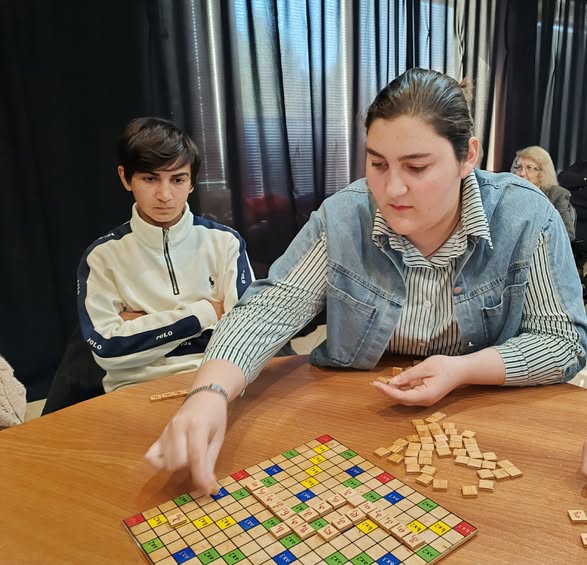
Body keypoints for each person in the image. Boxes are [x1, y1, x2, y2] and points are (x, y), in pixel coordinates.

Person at [145, 68, 587, 492]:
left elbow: (563, 340)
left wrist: (462, 369)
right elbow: (269, 309)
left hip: (483, 423)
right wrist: (210, 391)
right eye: (377, 163)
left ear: (467, 156)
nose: (391, 189)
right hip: (359, 416)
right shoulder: (345, 214)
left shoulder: (525, 215)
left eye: (417, 168)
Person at [78, 117, 254, 392]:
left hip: (217, 382)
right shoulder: (101, 256)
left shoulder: (225, 242)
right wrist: (206, 312)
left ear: (192, 182)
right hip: (135, 389)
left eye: (178, 179)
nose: (165, 195)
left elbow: (245, 335)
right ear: (125, 178)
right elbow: (108, 351)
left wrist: (142, 326)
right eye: (150, 178)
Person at [511, 146, 576, 240]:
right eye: (519, 167)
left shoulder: (556, 195)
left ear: (543, 173)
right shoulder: (510, 194)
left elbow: (567, 235)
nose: (521, 173)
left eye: (529, 168)